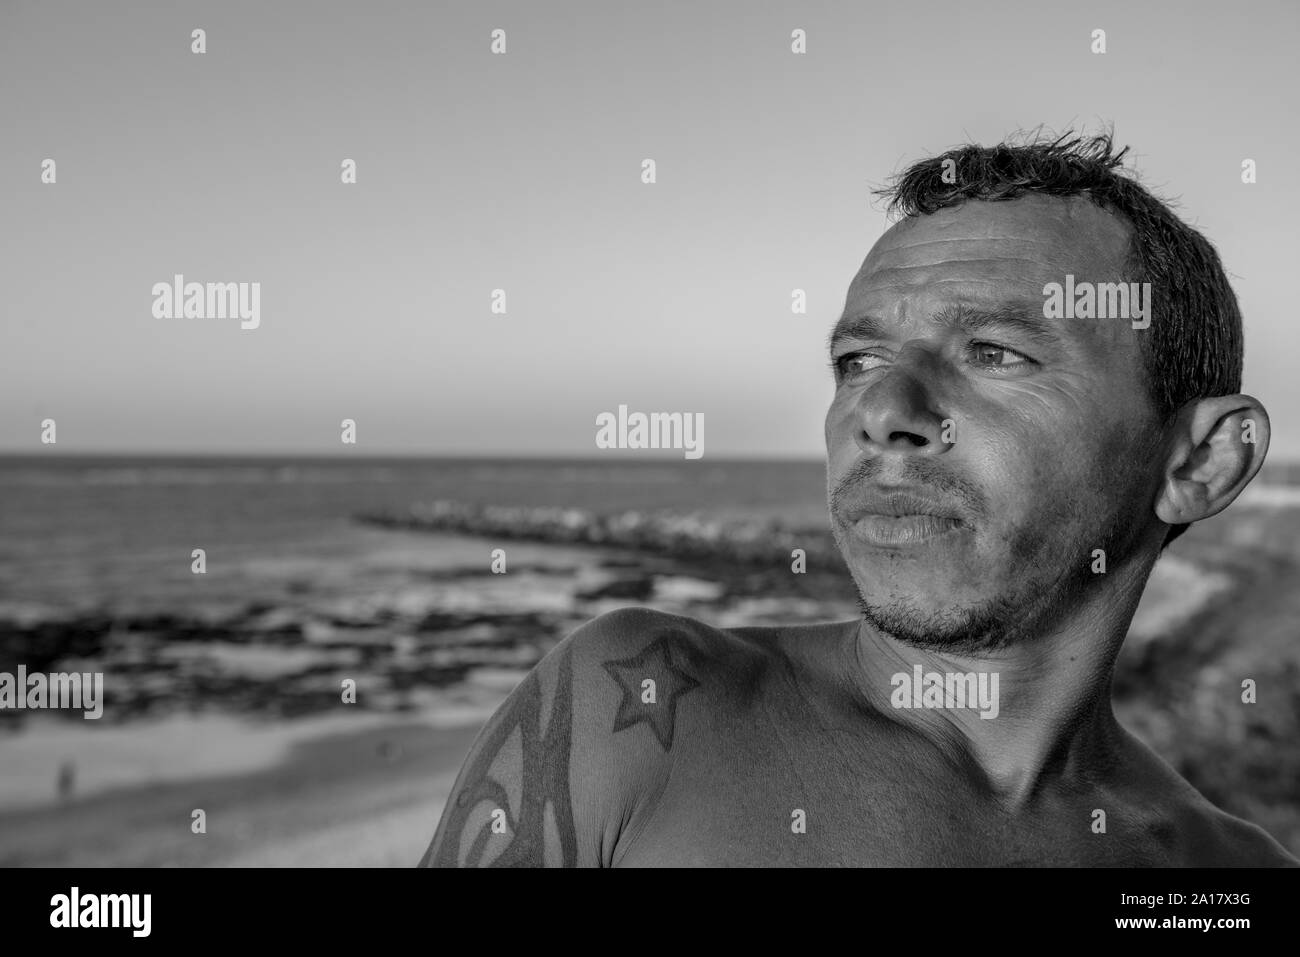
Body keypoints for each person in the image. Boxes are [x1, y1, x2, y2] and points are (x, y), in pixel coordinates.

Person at [420, 132, 1298, 867]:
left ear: (1204, 462)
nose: (879, 412)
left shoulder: (1221, 874)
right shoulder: (642, 716)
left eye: (994, 350)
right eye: (858, 363)